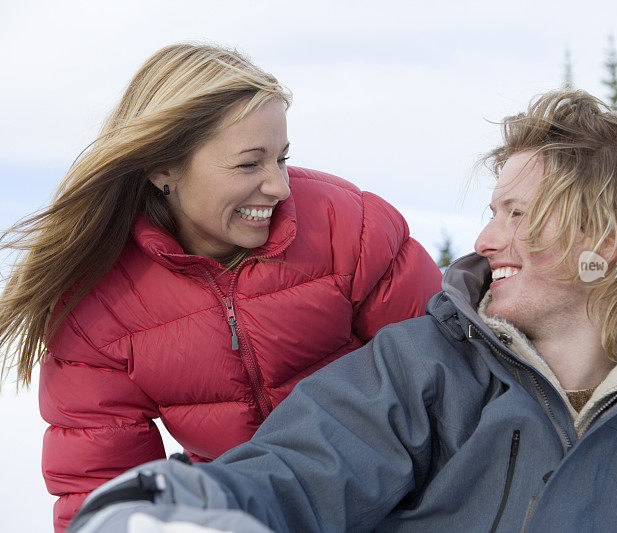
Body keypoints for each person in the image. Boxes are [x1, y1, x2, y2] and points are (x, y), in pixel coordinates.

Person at [67, 89, 617, 532]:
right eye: (491, 213)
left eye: (515, 214)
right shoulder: (426, 371)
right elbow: (301, 467)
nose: (484, 242)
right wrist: (175, 501)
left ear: (601, 244)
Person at [0, 44, 442, 532]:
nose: (280, 186)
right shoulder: (98, 307)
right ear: (163, 168)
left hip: (411, 505)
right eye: (249, 165)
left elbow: (446, 378)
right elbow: (102, 486)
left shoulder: (349, 228)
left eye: (282, 158)